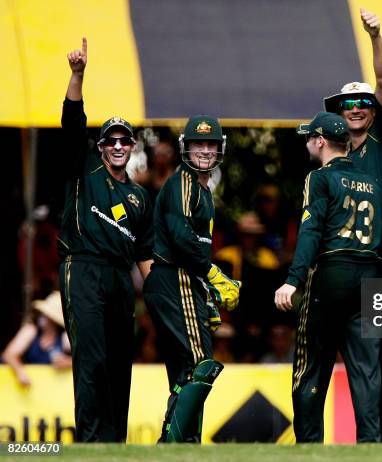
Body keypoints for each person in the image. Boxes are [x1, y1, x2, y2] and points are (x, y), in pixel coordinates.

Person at [322, 9, 382, 441]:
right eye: (348, 104)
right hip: (357, 268)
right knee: (368, 360)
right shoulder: (335, 158)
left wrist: (375, 36)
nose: (357, 108)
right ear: (338, 113)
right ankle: (375, 442)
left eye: (362, 104)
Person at [59, 37, 154, 442]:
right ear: (101, 147)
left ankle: (114, 444)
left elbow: (146, 255)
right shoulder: (85, 171)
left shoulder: (139, 196)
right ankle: (91, 442)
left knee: (118, 360)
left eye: (123, 140)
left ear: (132, 147)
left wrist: (163, 301)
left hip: (119, 277)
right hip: (82, 267)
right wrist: (78, 75)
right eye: (110, 140)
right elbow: (71, 122)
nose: (117, 145)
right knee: (92, 358)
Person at [275, 112, 382, 442]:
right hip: (370, 275)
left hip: (332, 273)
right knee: (367, 370)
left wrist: (293, 280)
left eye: (310, 137)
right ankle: (370, 447)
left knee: (311, 366)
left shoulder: (319, 178)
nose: (308, 142)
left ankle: (309, 446)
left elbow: (310, 230)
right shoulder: (373, 183)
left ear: (321, 141)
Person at [143, 115, 241, 442]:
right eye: (198, 144)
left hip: (181, 281)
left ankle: (186, 444)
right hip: (176, 278)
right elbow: (182, 238)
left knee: (185, 370)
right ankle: (172, 442)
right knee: (201, 363)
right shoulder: (184, 182)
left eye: (210, 144)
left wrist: (206, 289)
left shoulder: (201, 189)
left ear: (219, 150)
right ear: (186, 148)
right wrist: (213, 275)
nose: (205, 150)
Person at [2, 291, 71, 388]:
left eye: (46, 314)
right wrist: (20, 372)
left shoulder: (64, 338)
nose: (41, 316)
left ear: (54, 320)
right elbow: (8, 355)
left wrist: (68, 362)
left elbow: (84, 361)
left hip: (50, 392)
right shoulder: (31, 331)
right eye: (42, 313)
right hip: (25, 389)